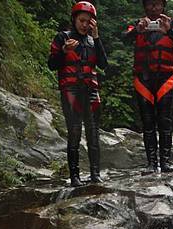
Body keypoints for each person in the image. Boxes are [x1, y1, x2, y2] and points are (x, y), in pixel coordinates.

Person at [122, 0, 173, 173]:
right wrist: (138, 30)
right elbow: (124, 38)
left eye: (158, 4)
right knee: (148, 122)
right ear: (145, 6)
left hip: (165, 79)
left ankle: (165, 162)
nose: (154, 8)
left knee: (165, 121)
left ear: (163, 6)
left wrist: (170, 31)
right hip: (143, 79)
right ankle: (152, 163)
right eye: (150, 4)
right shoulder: (138, 24)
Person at [48, 2, 108, 186]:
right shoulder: (62, 37)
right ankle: (75, 176)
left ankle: (95, 174)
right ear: (74, 19)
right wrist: (65, 51)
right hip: (71, 90)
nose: (84, 24)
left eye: (88, 21)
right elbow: (52, 65)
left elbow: (103, 64)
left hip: (90, 90)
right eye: (81, 20)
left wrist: (96, 37)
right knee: (74, 132)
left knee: (93, 133)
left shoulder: (92, 41)